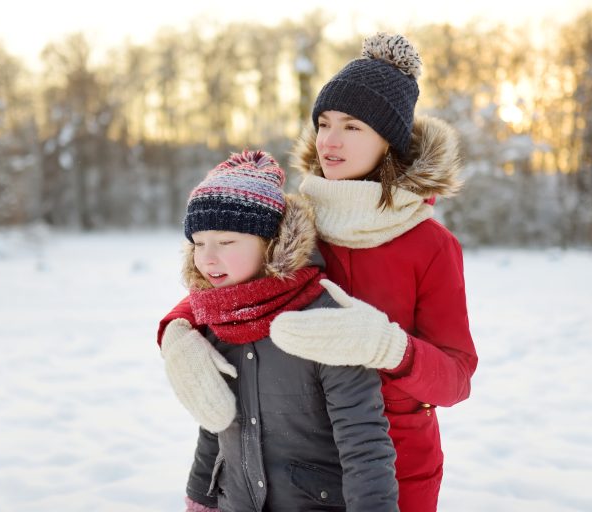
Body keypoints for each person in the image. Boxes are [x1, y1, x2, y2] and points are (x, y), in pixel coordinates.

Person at [158, 33, 478, 511]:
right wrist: (176, 327)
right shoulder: (295, 217)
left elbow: (456, 378)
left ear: (389, 140)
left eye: (352, 127)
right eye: (324, 122)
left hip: (393, 463)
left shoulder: (429, 244)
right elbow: (236, 291)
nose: (329, 140)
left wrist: (388, 347)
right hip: (289, 455)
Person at [161, 149, 399, 512]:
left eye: (226, 242)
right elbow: (215, 419)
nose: (208, 258)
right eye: (199, 243)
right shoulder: (214, 318)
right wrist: (202, 496)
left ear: (271, 242)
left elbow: (363, 440)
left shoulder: (323, 318)